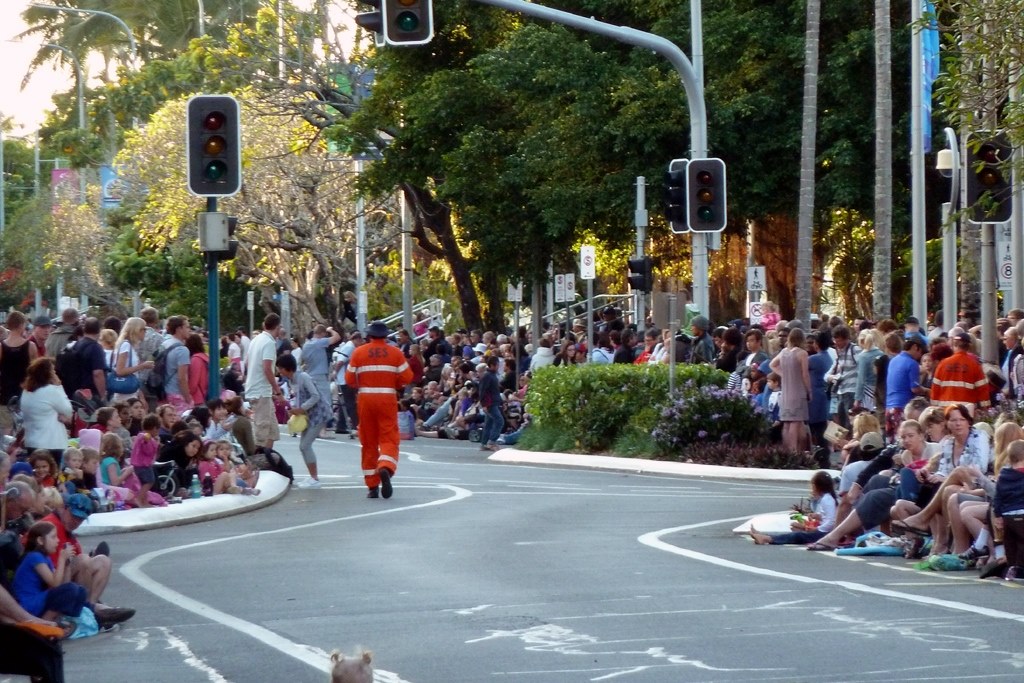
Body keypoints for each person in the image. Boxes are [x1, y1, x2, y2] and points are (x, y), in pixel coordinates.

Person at [40, 493, 134, 623]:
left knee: (103, 561)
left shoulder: (68, 532)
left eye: (80, 519)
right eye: (74, 516)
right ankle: (92, 610)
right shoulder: (50, 525)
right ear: (64, 509)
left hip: (61, 578)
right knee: (83, 560)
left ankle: (91, 607)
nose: (76, 522)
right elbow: (47, 566)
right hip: (46, 584)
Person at [345, 321, 413, 499]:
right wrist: (395, 383)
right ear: (386, 335)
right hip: (387, 399)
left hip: (365, 400)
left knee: (368, 442)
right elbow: (407, 377)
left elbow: (349, 379)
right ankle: (385, 467)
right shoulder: (395, 352)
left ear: (369, 335)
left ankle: (372, 486)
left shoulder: (358, 352)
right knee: (389, 437)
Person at [276, 353, 331, 488]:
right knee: (303, 446)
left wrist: (301, 408)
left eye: (281, 368)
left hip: (319, 414)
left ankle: (315, 478)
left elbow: (315, 396)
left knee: (305, 445)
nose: (279, 371)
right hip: (308, 415)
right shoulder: (292, 380)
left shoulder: (303, 377)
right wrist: (294, 408)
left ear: (288, 368)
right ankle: (313, 477)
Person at [749, 471, 838, 545]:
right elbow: (827, 517)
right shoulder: (826, 498)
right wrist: (817, 516)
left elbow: (831, 521)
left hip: (824, 534)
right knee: (796, 532)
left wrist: (817, 529)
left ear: (816, 486)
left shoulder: (827, 500)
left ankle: (767, 538)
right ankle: (765, 536)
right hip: (823, 531)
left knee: (798, 535)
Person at [244, 314, 285, 452]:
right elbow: (267, 368)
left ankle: (267, 458)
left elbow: (247, 363)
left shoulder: (256, 340)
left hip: (258, 389)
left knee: (272, 432)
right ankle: (257, 460)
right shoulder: (269, 343)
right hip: (261, 391)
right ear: (277, 327)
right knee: (261, 433)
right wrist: (278, 391)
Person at [20, 358, 72, 460]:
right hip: (51, 442)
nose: (55, 373)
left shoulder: (26, 392)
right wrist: (59, 386)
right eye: (53, 371)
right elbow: (68, 410)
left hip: (32, 441)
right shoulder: (51, 390)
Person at [769, 327, 810, 453]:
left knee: (786, 423)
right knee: (795, 422)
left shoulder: (783, 352)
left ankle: (786, 451)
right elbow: (805, 374)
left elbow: (772, 364)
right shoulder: (802, 353)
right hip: (798, 390)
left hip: (785, 392)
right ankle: (793, 451)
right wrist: (809, 390)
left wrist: (783, 374)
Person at [930, 330, 989, 412]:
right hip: (966, 411)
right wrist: (985, 408)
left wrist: (934, 408)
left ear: (954, 344)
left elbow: (935, 388)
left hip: (945, 410)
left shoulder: (943, 364)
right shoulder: (974, 365)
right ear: (968, 347)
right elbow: (982, 390)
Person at [0, 312, 38, 435]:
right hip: (26, 393)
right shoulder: (30, 346)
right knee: (26, 430)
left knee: (7, 430)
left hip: (5, 393)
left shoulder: (1, 347)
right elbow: (37, 372)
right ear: (22, 325)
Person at [302, 324, 341, 437]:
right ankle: (321, 430)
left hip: (310, 374)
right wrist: (331, 330)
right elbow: (337, 337)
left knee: (314, 403)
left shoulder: (306, 344)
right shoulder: (319, 343)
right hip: (320, 376)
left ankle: (310, 428)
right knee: (325, 402)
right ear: (322, 334)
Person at [108, 317, 153, 404]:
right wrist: (142, 366)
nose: (145, 332)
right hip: (125, 393)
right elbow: (120, 371)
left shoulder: (127, 345)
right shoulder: (126, 345)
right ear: (137, 330)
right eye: (144, 329)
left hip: (129, 391)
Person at [332, 331, 364, 437]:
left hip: (344, 378)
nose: (361, 343)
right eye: (360, 341)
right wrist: (335, 372)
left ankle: (341, 425)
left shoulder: (349, 346)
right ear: (357, 339)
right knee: (351, 403)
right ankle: (356, 425)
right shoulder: (350, 347)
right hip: (345, 378)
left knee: (344, 402)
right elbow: (341, 362)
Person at [162, 316, 193, 415]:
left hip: (163, 392)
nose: (189, 330)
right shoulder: (182, 350)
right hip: (177, 394)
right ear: (179, 329)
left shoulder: (165, 344)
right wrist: (188, 398)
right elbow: (182, 378)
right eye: (187, 327)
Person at [129, 414, 161, 508]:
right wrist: (155, 443)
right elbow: (148, 451)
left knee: (144, 483)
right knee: (149, 481)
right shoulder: (146, 437)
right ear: (154, 428)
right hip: (143, 465)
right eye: (157, 430)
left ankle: (144, 501)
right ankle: (139, 499)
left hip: (138, 464)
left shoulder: (141, 435)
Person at [478, 355, 504, 451]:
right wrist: (484, 404)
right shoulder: (487, 376)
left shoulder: (491, 375)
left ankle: (484, 443)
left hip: (493, 402)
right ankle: (492, 441)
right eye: (497, 365)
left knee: (489, 423)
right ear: (492, 365)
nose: (498, 367)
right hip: (490, 404)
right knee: (499, 421)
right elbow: (483, 391)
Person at [185, 333, 209, 407]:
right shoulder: (204, 357)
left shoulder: (195, 359)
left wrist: (188, 394)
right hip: (205, 393)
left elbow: (194, 381)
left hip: (197, 397)